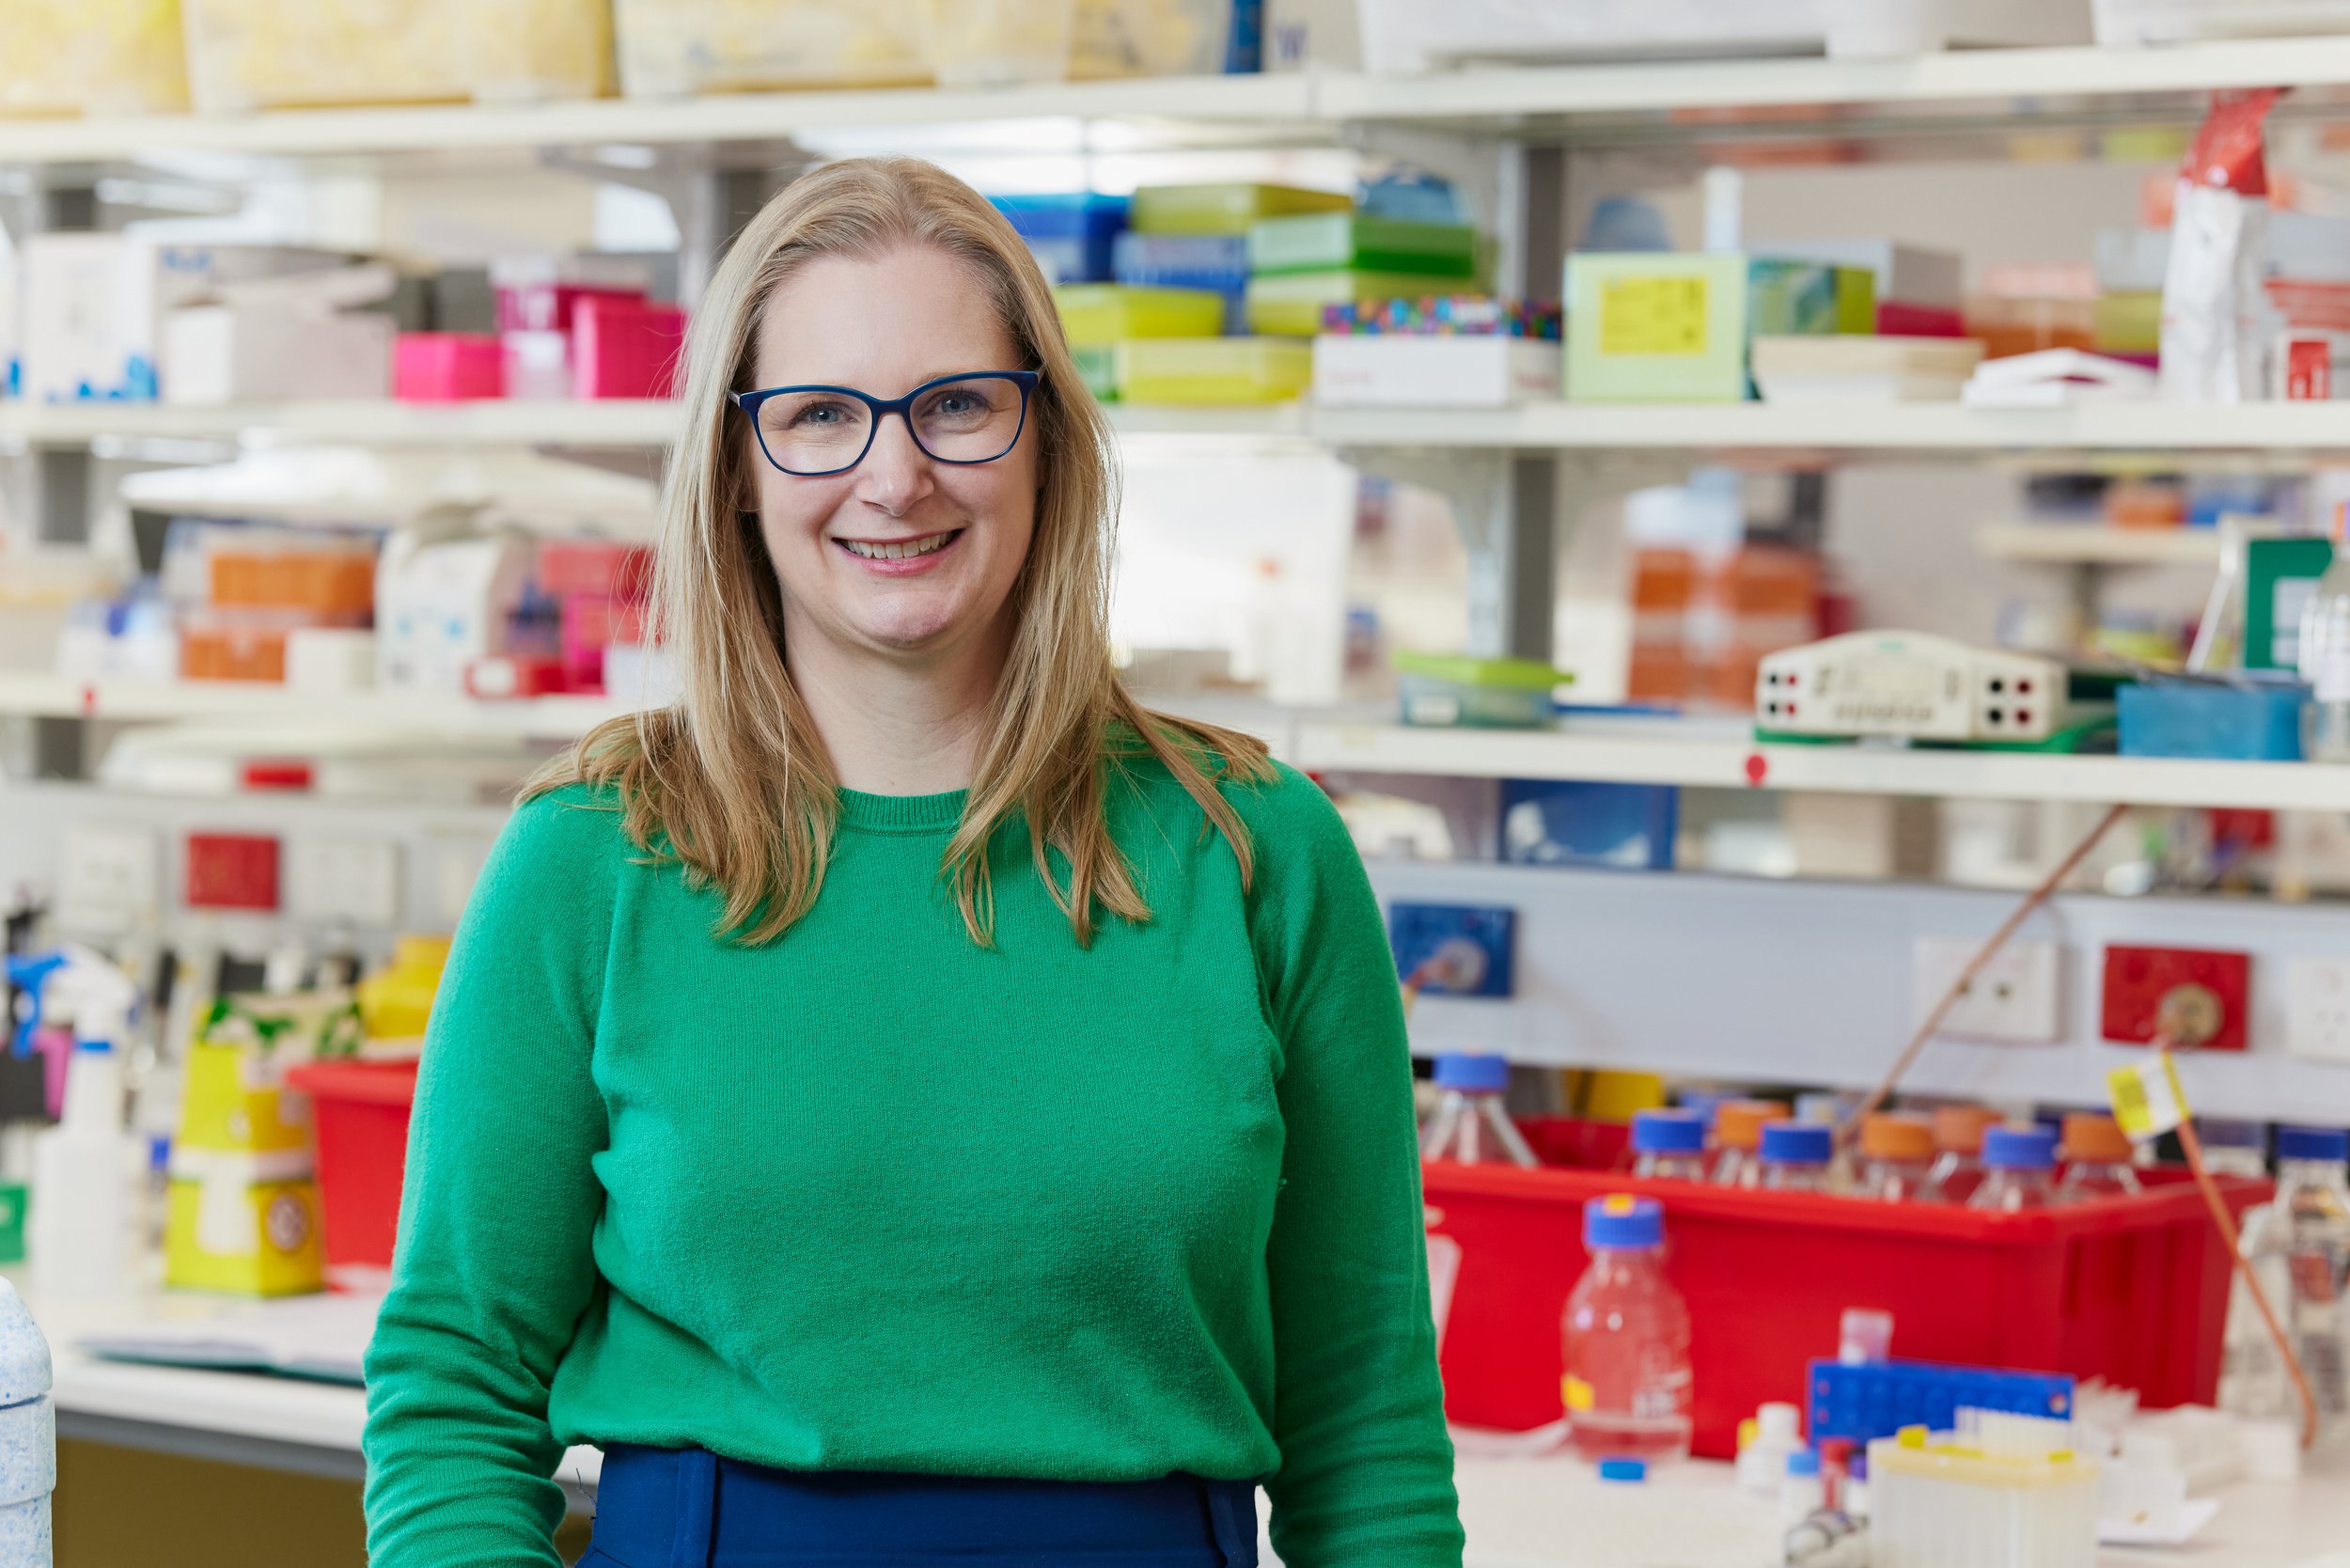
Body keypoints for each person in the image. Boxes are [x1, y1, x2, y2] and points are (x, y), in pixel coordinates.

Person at [361, 155, 1463, 1568]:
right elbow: (456, 1386)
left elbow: (1366, 1425)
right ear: (736, 466)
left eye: (957, 405)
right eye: (820, 415)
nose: (894, 477)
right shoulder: (594, 858)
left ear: (1046, 439)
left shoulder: (1257, 851)